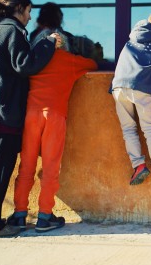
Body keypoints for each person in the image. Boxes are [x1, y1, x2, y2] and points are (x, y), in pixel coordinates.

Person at [0, 0, 59, 238]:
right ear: (18, 8)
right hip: (2, 110)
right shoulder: (13, 30)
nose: (30, 18)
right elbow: (25, 64)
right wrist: (48, 42)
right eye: (29, 11)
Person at [6, 23, 98, 233]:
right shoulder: (69, 61)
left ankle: (20, 214)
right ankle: (44, 217)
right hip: (54, 117)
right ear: (62, 45)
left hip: (31, 116)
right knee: (50, 168)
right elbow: (93, 64)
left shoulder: (35, 62)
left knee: (26, 166)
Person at [111, 13, 151, 189]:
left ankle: (138, 165)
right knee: (149, 128)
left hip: (119, 86)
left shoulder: (130, 40)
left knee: (128, 129)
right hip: (141, 85)